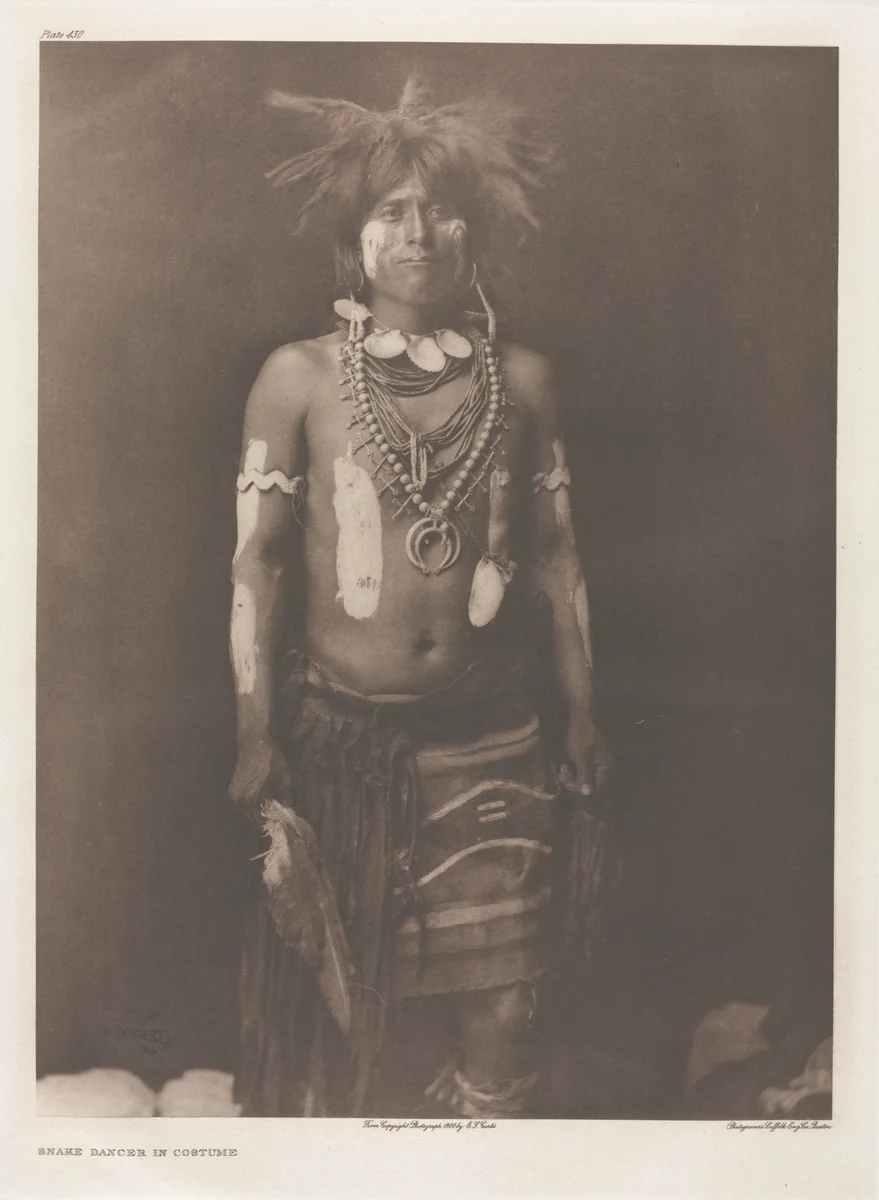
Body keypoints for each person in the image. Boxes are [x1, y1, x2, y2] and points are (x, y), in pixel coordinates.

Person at [228, 77, 611, 1118]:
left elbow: (562, 556)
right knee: (350, 1020)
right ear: (356, 240)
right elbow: (259, 562)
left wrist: (581, 717)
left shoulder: (523, 381)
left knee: (508, 1010)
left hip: (493, 739)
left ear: (471, 232)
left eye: (440, 210)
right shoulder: (297, 378)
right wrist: (257, 730)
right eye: (391, 210)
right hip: (346, 747)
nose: (419, 232)